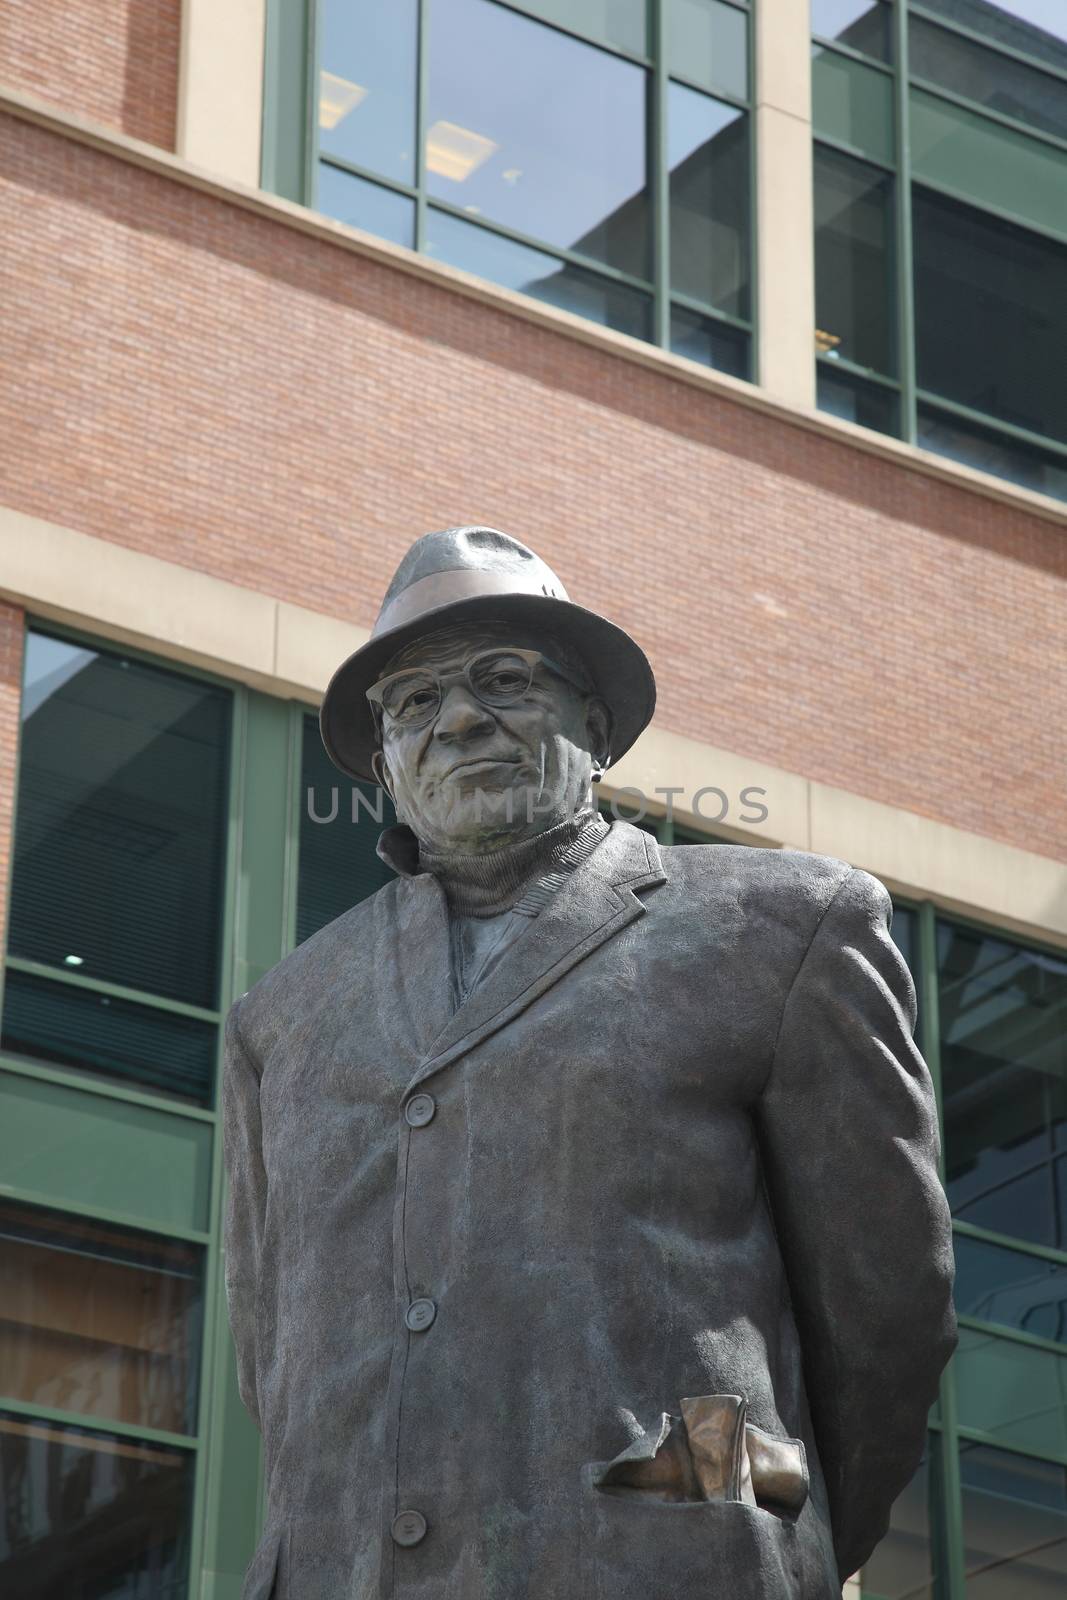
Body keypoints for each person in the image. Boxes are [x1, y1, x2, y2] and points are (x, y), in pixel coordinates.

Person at [224, 525, 956, 1599]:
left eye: (504, 679)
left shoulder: (783, 928)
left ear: (595, 722)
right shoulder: (281, 1016)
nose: (460, 717)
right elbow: (271, 1358)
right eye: (413, 702)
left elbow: (881, 1316)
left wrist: (744, 1537)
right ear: (384, 762)